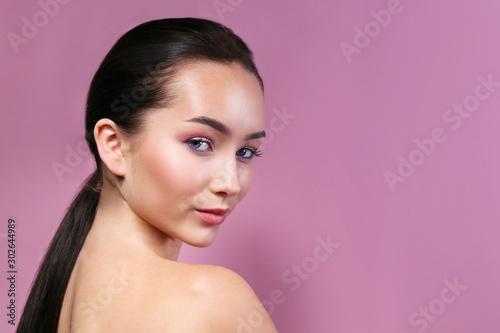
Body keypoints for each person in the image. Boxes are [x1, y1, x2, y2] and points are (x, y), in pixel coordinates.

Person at [17, 17, 278, 332]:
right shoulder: (212, 299)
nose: (230, 184)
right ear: (114, 145)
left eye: (246, 152)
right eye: (199, 143)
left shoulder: (62, 298)